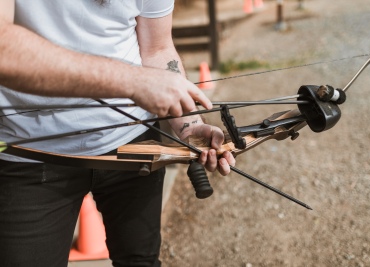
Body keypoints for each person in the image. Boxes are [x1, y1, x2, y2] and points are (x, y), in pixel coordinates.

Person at [0, 1, 235, 266]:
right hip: (31, 154)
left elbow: (157, 49)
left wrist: (190, 126)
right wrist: (134, 81)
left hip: (134, 144)